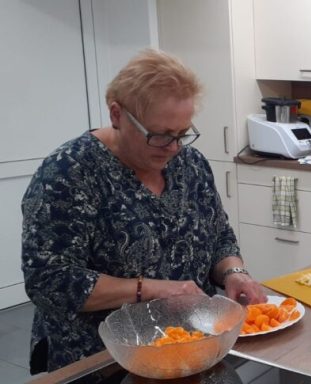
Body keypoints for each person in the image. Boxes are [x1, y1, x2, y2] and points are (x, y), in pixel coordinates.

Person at [21, 49, 267, 373]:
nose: (174, 148)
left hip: (194, 345)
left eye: (182, 134)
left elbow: (219, 234)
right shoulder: (68, 173)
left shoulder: (190, 164)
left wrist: (233, 272)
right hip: (103, 361)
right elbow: (48, 280)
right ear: (117, 115)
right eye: (160, 135)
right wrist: (152, 289)